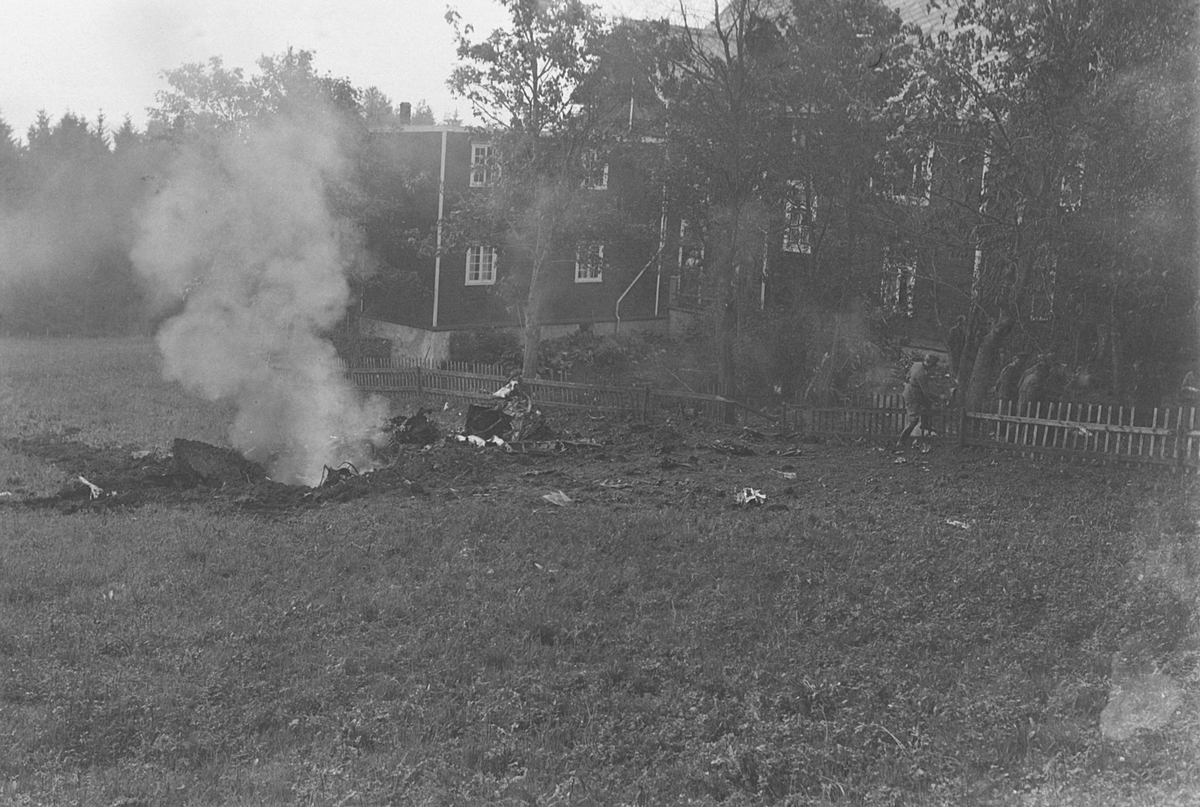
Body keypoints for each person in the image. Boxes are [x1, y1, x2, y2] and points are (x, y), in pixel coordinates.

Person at [896, 353, 940, 450]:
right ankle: (901, 442)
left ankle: (925, 424)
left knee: (928, 404)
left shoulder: (917, 364)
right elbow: (926, 391)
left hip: (913, 390)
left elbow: (907, 376)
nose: (933, 368)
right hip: (912, 394)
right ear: (930, 364)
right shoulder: (921, 374)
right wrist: (938, 397)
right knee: (913, 420)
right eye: (933, 366)